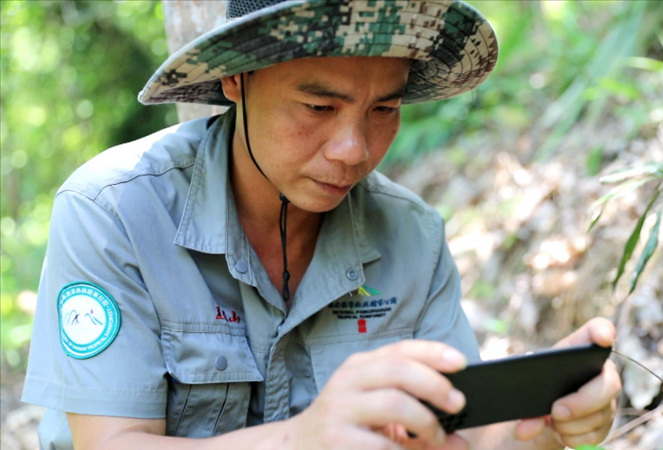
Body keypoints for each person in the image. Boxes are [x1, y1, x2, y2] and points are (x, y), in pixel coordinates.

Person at [23, 1, 621, 448]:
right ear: (237, 80)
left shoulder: (409, 237)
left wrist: (543, 421)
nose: (354, 150)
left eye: (383, 109)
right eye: (319, 107)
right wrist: (301, 438)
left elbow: (457, 432)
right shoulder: (115, 213)